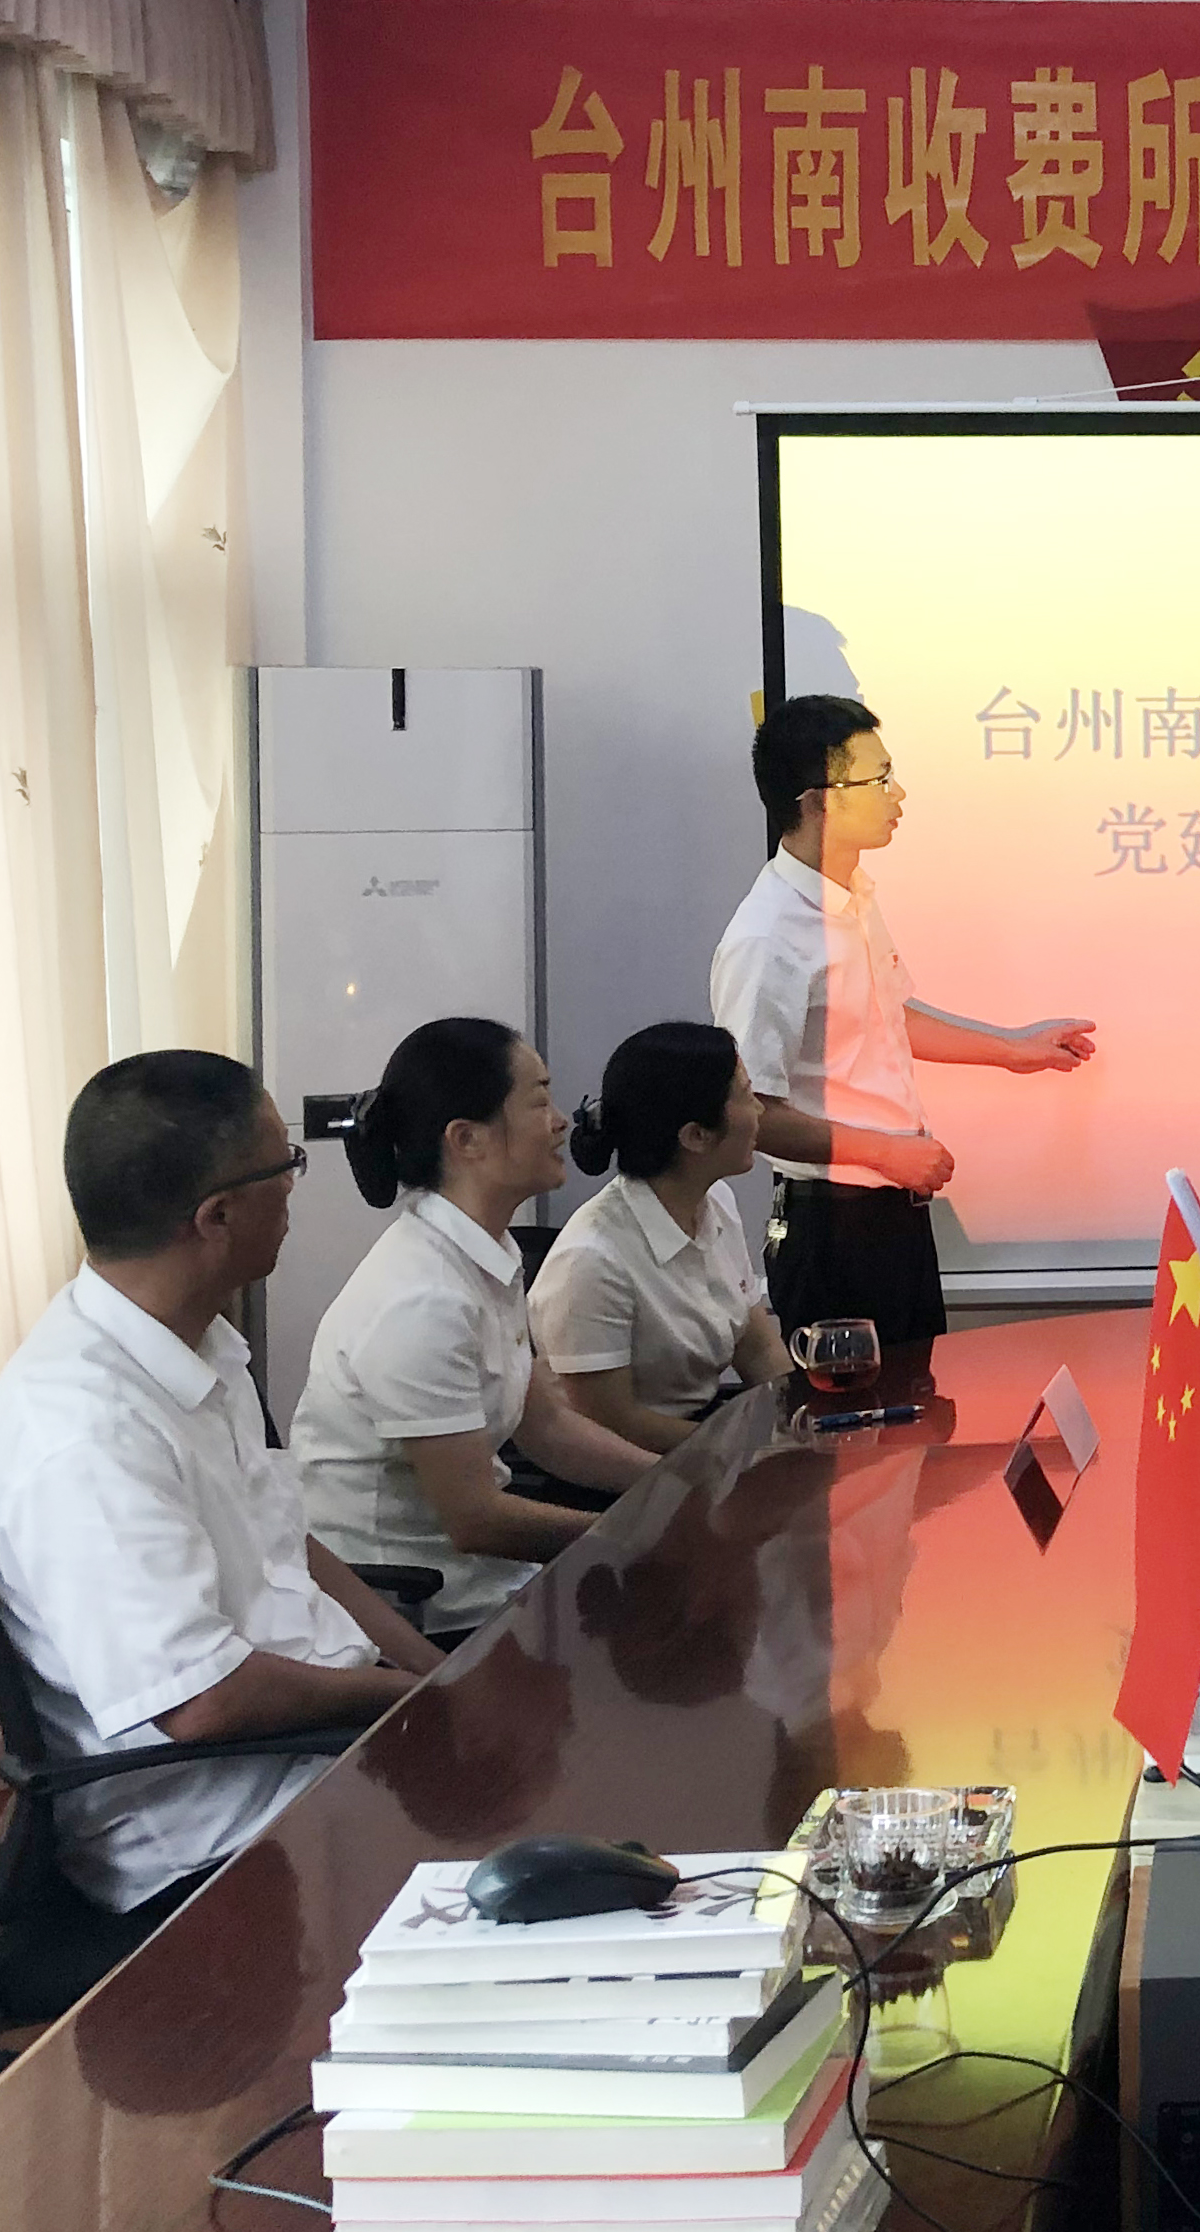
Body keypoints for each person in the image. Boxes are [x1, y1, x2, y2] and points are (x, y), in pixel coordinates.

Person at [0, 1052, 440, 1914]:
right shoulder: (83, 1431)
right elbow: (203, 1702)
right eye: (286, 1165)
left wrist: (438, 1671)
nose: (294, 1186)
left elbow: (284, 1545)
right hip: (217, 1834)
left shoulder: (194, 1343)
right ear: (217, 1216)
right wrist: (410, 1702)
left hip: (312, 1757)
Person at [713, 694, 1096, 1360]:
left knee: (918, 1400)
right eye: (879, 778)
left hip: (893, 1212)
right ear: (819, 802)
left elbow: (887, 1016)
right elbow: (750, 1112)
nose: (899, 794)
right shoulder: (768, 936)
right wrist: (886, 1152)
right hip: (831, 1223)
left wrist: (1011, 1049)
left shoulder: (852, 896)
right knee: (852, 1417)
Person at [295, 1018, 659, 1637]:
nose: (560, 1122)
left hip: (490, 1584)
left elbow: (546, 1426)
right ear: (467, 1139)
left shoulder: (488, 1254)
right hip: (421, 1613)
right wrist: (638, 1535)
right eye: (539, 1100)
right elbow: (474, 1520)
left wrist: (677, 1483)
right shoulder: (422, 1300)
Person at [531, 1021, 787, 1455]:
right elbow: (613, 1424)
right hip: (634, 1465)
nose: (760, 1110)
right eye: (746, 1095)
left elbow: (757, 1348)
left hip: (705, 1436)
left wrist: (800, 1419)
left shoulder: (715, 1201)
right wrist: (747, 1450)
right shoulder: (592, 1260)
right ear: (696, 1136)